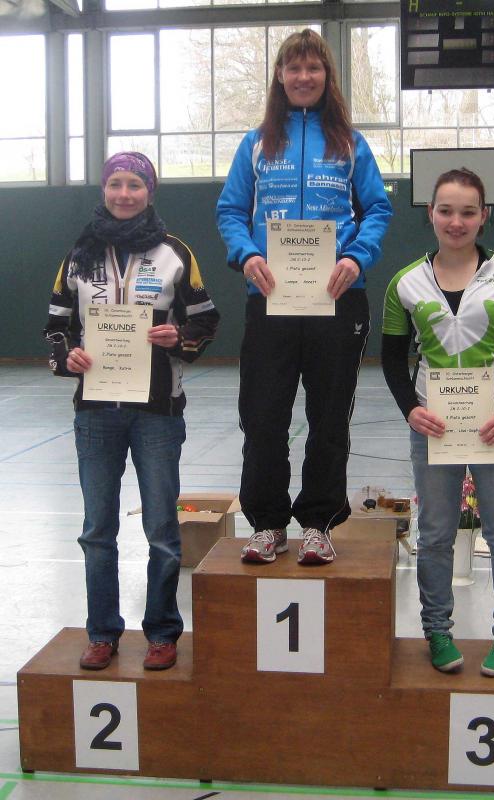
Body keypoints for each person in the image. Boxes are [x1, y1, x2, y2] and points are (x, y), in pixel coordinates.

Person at [216, 29, 392, 566]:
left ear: (326, 76)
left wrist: (355, 258)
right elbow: (230, 211)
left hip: (338, 299)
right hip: (270, 300)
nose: (303, 77)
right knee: (263, 417)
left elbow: (378, 209)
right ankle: (267, 524)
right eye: (294, 68)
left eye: (313, 67)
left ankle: (318, 523)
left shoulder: (350, 143)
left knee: (329, 417)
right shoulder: (256, 143)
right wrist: (247, 254)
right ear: (280, 75)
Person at [44, 152, 220, 671]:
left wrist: (178, 336)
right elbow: (56, 326)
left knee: (162, 530)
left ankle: (162, 632)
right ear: (104, 189)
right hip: (96, 412)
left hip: (158, 413)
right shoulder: (78, 255)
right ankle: (102, 632)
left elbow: (207, 319)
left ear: (150, 191)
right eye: (116, 183)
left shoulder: (175, 253)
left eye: (135, 185)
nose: (124, 193)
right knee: (97, 530)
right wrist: (67, 357)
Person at [381, 168, 494, 676]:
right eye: (446, 210)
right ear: (430, 213)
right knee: (434, 534)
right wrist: (411, 409)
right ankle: (437, 630)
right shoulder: (405, 283)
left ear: (484, 215)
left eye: (468, 211)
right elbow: (391, 358)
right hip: (435, 429)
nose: (457, 221)